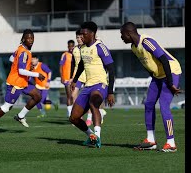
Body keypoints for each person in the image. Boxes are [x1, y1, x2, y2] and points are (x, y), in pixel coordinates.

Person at [120, 22, 182, 152]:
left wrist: (170, 83)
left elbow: (164, 60)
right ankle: (151, 140)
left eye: (122, 34)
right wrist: (153, 77)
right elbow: (147, 64)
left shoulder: (146, 42)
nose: (121, 37)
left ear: (129, 33)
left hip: (171, 71)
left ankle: (171, 143)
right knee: (149, 104)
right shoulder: (133, 47)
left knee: (164, 105)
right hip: (158, 76)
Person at [0, 29, 45, 134]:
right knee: (7, 107)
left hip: (23, 82)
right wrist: (37, 74)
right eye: (28, 38)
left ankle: (20, 116)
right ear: (23, 39)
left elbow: (11, 58)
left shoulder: (21, 49)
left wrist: (25, 65)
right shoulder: (24, 52)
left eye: (32, 38)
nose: (31, 40)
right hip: (15, 83)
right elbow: (21, 70)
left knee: (37, 96)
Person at [70, 21, 115, 148]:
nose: (81, 37)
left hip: (100, 84)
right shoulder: (82, 49)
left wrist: (110, 92)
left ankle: (98, 136)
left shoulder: (100, 47)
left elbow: (111, 69)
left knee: (93, 102)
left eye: (84, 34)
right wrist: (75, 80)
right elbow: (82, 65)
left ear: (92, 34)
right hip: (87, 86)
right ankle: (91, 136)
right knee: (73, 118)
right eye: (81, 35)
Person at [71, 29, 106, 126]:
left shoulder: (92, 46)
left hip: (88, 75)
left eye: (80, 36)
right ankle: (79, 116)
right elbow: (74, 64)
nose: (79, 39)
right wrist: (72, 77)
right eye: (77, 37)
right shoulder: (75, 49)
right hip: (78, 75)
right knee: (73, 95)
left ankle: (90, 118)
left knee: (92, 98)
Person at [59, 40, 75, 117]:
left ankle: (74, 112)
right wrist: (61, 77)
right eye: (69, 46)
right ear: (68, 46)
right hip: (66, 78)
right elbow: (61, 67)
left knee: (74, 96)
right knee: (69, 96)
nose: (71, 47)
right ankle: (70, 113)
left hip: (75, 79)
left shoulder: (77, 54)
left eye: (72, 46)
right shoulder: (65, 55)